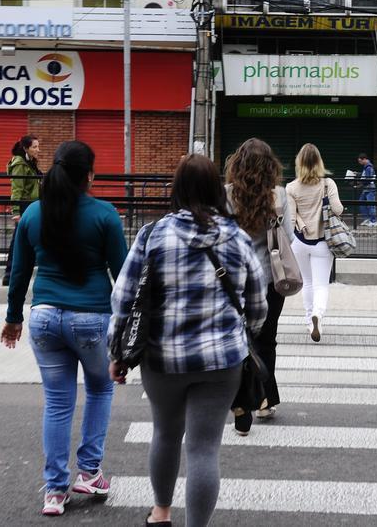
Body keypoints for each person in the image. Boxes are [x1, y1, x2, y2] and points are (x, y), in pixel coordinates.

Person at [110, 154, 266, 527]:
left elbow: (123, 297)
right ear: (216, 189)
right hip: (221, 362)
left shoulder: (153, 234)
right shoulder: (236, 238)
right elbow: (258, 305)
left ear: (176, 190)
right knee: (204, 448)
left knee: (165, 433)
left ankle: (161, 512)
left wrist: (117, 351)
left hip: (163, 358)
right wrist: (244, 334)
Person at [1, 141, 129, 516]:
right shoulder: (105, 214)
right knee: (100, 389)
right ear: (89, 174)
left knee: (57, 403)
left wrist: (13, 318)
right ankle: (89, 472)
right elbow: (122, 278)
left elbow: (19, 273)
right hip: (91, 318)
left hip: (43, 317)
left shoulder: (32, 215)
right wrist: (126, 331)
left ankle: (55, 491)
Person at [224, 138, 295, 436]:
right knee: (267, 339)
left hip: (232, 279)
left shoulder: (227, 194)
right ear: (271, 166)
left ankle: (242, 405)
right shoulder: (279, 195)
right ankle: (265, 399)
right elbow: (289, 237)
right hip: (270, 278)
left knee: (236, 341)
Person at [286, 143, 344, 343]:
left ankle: (310, 322)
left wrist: (301, 224)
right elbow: (338, 210)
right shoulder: (328, 184)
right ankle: (318, 315)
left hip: (300, 242)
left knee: (308, 283)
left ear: (299, 162)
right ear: (319, 162)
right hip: (322, 242)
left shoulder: (291, 187)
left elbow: (292, 218)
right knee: (321, 285)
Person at [3, 134, 41, 286]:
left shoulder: (29, 162)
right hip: (25, 207)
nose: (38, 149)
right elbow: (17, 189)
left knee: (23, 240)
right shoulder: (20, 164)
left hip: (33, 205)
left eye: (38, 146)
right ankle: (9, 274)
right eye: (34, 147)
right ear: (26, 148)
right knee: (18, 240)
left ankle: (14, 273)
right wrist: (16, 212)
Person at [356, 153, 377, 227]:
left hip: (370, 189)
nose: (360, 163)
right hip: (366, 189)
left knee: (371, 205)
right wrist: (358, 174)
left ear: (364, 159)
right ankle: (367, 219)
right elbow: (365, 176)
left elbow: (368, 179)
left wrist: (360, 181)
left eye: (360, 161)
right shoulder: (366, 167)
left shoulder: (369, 167)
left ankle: (373, 221)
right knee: (361, 202)